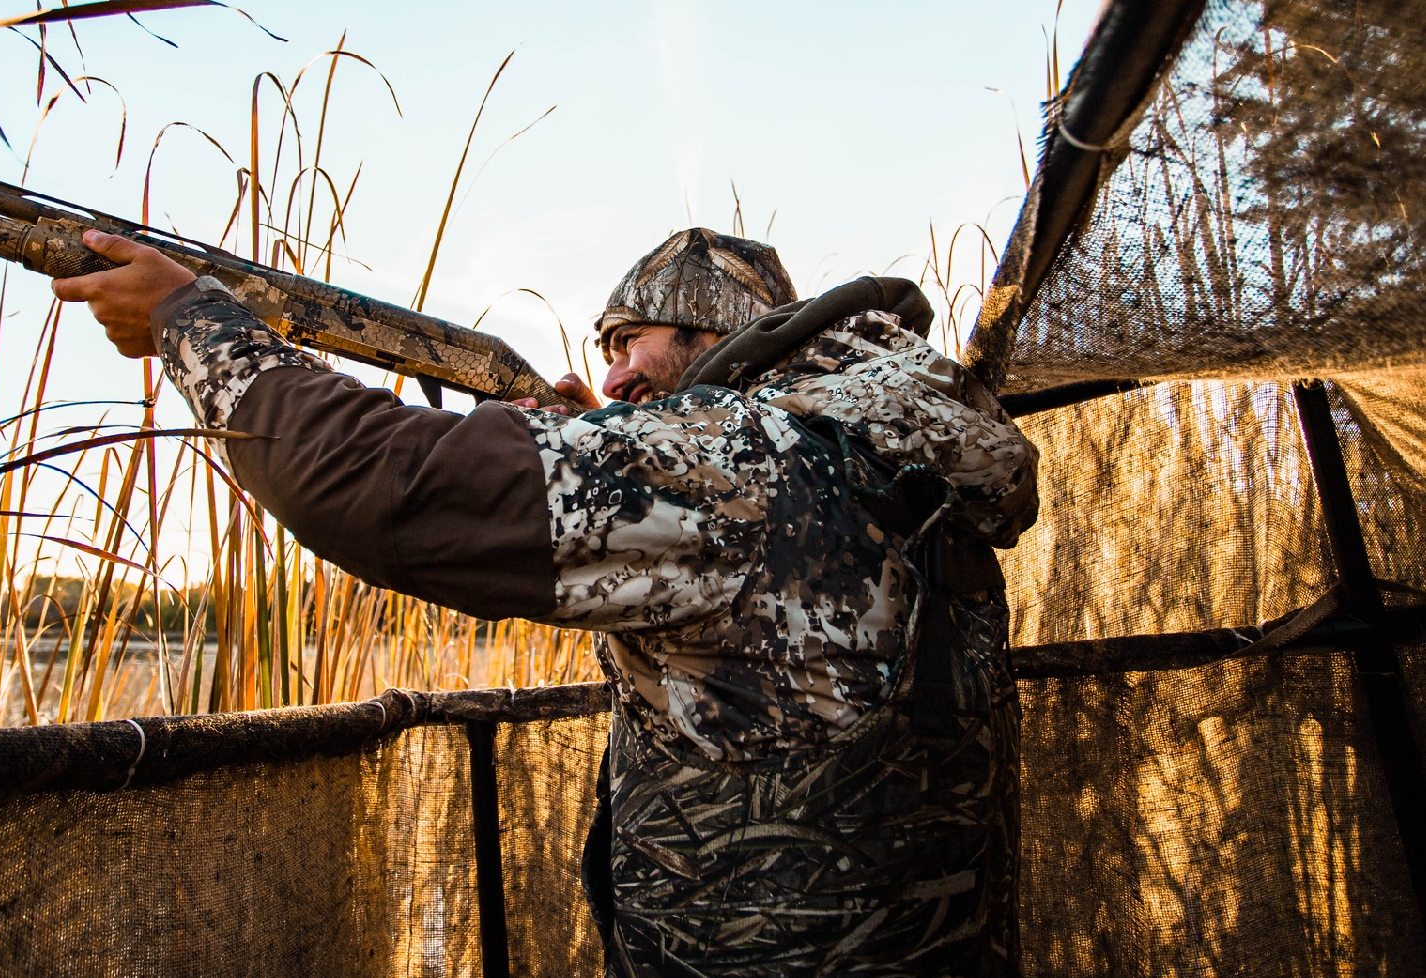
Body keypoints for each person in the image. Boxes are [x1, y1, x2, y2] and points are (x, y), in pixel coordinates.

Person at [53, 225, 1039, 976]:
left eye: (629, 339)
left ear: (716, 335)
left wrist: (196, 321)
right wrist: (586, 445)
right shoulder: (882, 452)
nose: (608, 371)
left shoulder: (737, 464)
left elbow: (376, 486)